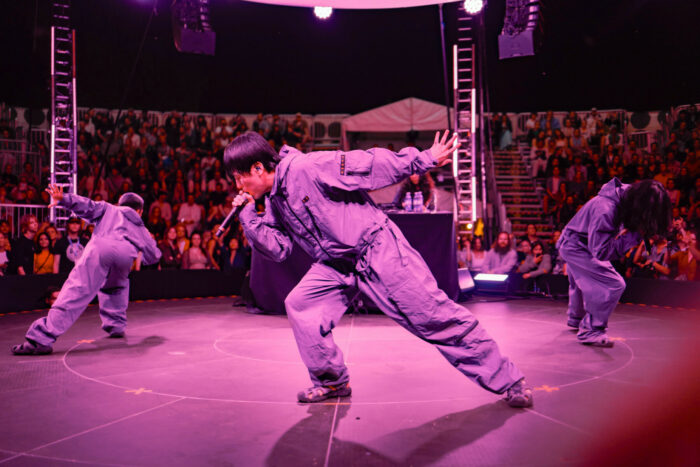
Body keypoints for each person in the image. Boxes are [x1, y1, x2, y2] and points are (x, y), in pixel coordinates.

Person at [225, 131, 532, 407]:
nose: (239, 186)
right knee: (302, 304)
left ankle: (509, 380)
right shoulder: (275, 202)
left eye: (240, 177)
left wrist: (423, 159)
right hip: (336, 262)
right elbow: (279, 250)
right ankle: (332, 381)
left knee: (432, 316)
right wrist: (249, 217)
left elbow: (368, 164)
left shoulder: (307, 167)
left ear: (258, 168)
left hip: (376, 248)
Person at [12, 185, 161, 356]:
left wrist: (64, 199)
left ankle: (40, 340)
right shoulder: (140, 226)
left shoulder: (109, 208)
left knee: (77, 289)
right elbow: (154, 256)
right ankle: (116, 326)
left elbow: (88, 206)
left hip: (101, 249)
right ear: (140, 211)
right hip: (125, 257)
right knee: (116, 285)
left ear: (119, 204)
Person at [557, 179, 672, 347]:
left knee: (580, 279)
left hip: (575, 240)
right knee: (613, 284)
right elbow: (601, 252)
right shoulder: (605, 209)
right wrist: (634, 235)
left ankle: (575, 319)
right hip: (577, 246)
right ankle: (591, 331)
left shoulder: (626, 194)